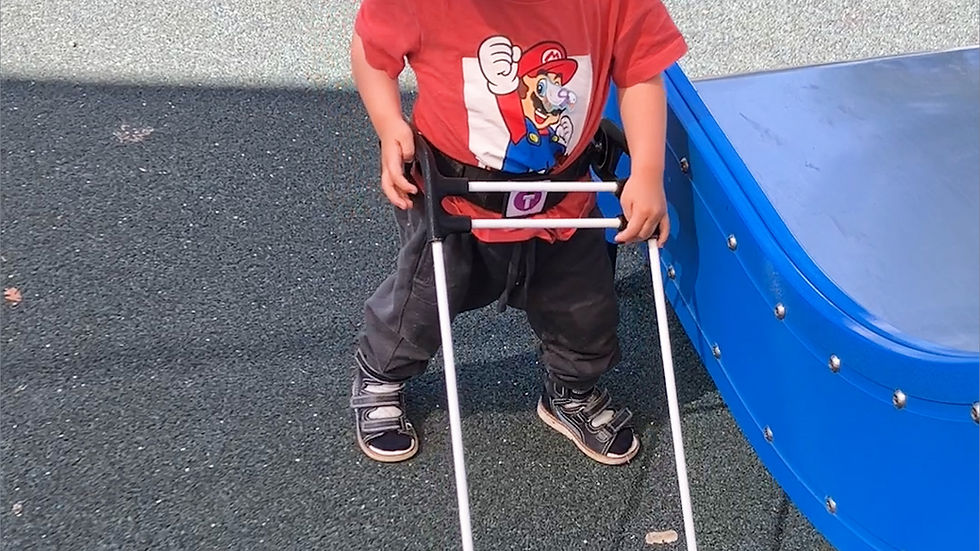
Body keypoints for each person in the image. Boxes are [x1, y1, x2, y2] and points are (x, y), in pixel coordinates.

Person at [349, 0, 687, 465]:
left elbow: (641, 70)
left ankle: (570, 390)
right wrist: (389, 124)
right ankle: (381, 372)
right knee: (423, 303)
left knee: (585, 309)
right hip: (456, 199)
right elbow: (373, 50)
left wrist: (648, 170)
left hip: (563, 201)